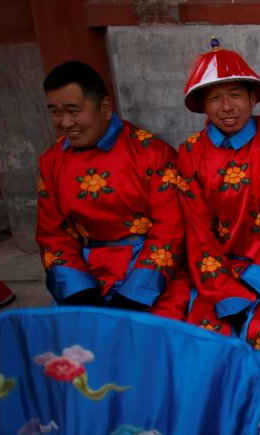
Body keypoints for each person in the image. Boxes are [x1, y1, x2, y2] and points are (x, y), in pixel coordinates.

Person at [177, 38, 260, 359]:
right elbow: (197, 231)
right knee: (204, 340)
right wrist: (223, 290)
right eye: (215, 98)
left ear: (252, 98)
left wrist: (258, 280)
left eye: (235, 95)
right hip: (216, 278)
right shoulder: (190, 153)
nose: (226, 107)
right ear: (203, 105)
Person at [35, 60, 188, 317]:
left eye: (74, 111)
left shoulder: (151, 153)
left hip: (151, 273)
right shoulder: (51, 161)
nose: (65, 122)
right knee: (71, 345)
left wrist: (133, 295)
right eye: (56, 112)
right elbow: (52, 234)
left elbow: (170, 230)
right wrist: (79, 291)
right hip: (86, 272)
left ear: (105, 107)